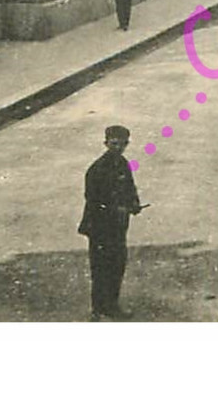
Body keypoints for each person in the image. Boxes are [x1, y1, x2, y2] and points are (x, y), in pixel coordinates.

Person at [78, 125, 144, 320]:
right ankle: (98, 309)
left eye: (122, 144)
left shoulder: (123, 163)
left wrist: (134, 204)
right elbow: (92, 198)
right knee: (100, 267)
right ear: (106, 143)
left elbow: (130, 188)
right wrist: (117, 208)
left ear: (127, 144)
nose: (118, 148)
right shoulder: (97, 169)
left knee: (117, 265)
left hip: (117, 226)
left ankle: (112, 305)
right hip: (99, 226)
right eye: (114, 144)